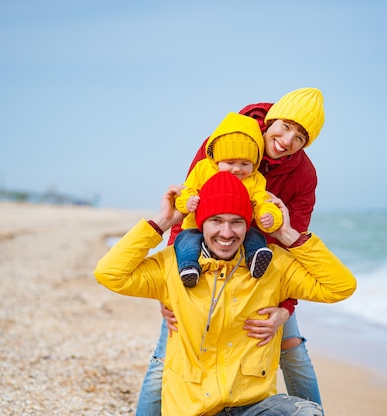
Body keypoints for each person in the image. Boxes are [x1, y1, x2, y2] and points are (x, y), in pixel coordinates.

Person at [95, 172, 356, 415]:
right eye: (216, 221)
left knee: (307, 412)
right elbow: (109, 273)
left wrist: (287, 234)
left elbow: (340, 286)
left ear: (248, 226)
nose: (226, 233)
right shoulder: (172, 266)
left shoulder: (273, 265)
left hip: (252, 407)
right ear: (201, 223)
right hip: (194, 408)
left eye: (236, 222)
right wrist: (163, 222)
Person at [137, 87, 326, 415]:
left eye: (300, 137)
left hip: (259, 265)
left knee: (292, 349)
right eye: (285, 127)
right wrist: (171, 289)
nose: (287, 140)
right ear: (271, 119)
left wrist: (286, 307)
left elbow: (293, 239)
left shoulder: (303, 174)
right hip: (204, 259)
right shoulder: (226, 138)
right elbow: (189, 212)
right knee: (169, 348)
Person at [174, 111, 282, 287]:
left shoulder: (254, 179)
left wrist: (269, 216)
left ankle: (254, 258)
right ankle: (189, 268)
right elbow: (185, 190)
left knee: (254, 235)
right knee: (186, 240)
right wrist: (187, 201)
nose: (237, 169)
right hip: (196, 225)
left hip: (236, 230)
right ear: (217, 159)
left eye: (245, 164)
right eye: (230, 163)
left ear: (255, 163)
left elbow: (263, 202)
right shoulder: (203, 169)